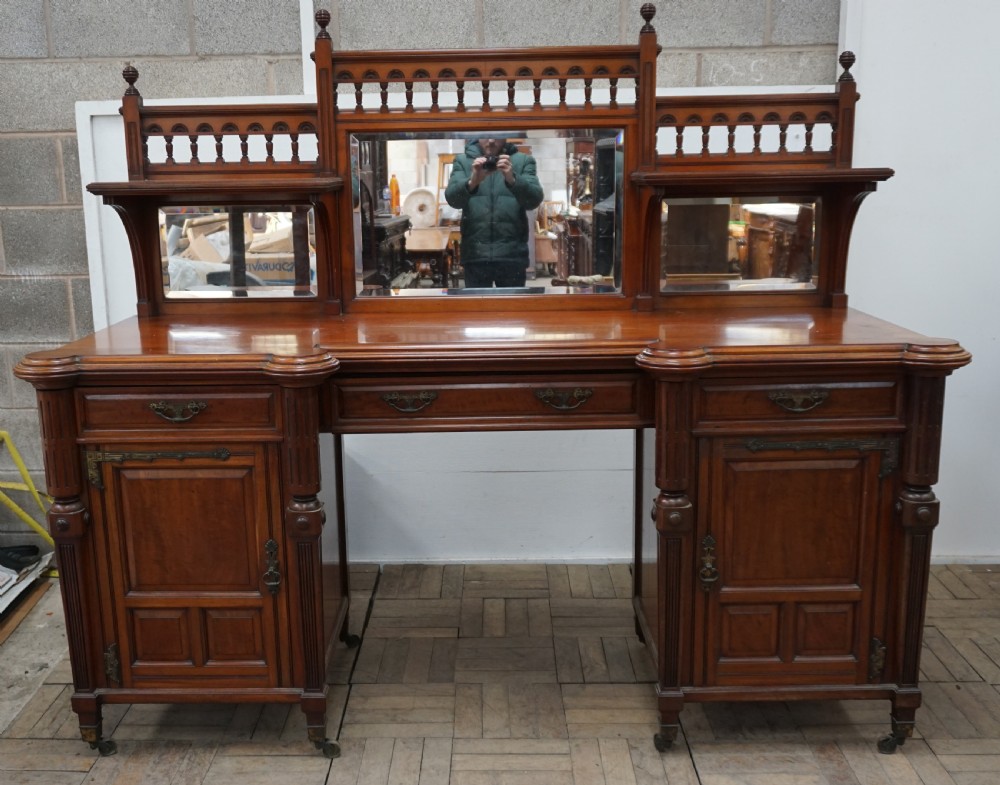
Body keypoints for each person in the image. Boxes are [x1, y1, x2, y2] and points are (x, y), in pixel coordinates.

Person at [444, 136, 544, 288]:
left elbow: (533, 200)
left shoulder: (523, 161)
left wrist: (513, 179)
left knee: (512, 310)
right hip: (475, 255)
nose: (491, 141)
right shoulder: (463, 161)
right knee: (478, 310)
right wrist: (472, 182)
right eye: (485, 135)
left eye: (496, 135)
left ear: (505, 135)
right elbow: (453, 200)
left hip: (512, 256)